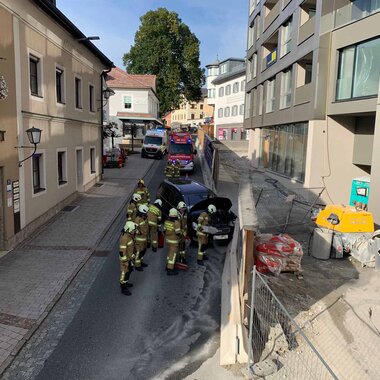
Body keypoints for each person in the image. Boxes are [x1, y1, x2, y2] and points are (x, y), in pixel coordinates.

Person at [118, 221, 137, 296]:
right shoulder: (125, 238)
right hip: (125, 260)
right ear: (128, 230)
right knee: (124, 273)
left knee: (128, 272)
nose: (134, 231)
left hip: (129, 258)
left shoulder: (129, 235)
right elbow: (122, 252)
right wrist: (126, 262)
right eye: (133, 230)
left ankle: (126, 282)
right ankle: (123, 287)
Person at [163, 208, 182, 275]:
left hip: (168, 240)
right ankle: (170, 269)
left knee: (169, 253)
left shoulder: (166, 222)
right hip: (174, 241)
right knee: (173, 255)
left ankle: (167, 266)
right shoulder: (176, 223)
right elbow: (178, 233)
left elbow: (164, 231)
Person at [133, 204, 149, 271]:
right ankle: (137, 265)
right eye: (145, 213)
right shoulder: (137, 219)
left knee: (143, 251)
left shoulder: (144, 218)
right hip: (139, 240)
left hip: (144, 238)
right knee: (138, 252)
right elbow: (134, 229)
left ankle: (141, 262)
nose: (146, 214)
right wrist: (139, 232)